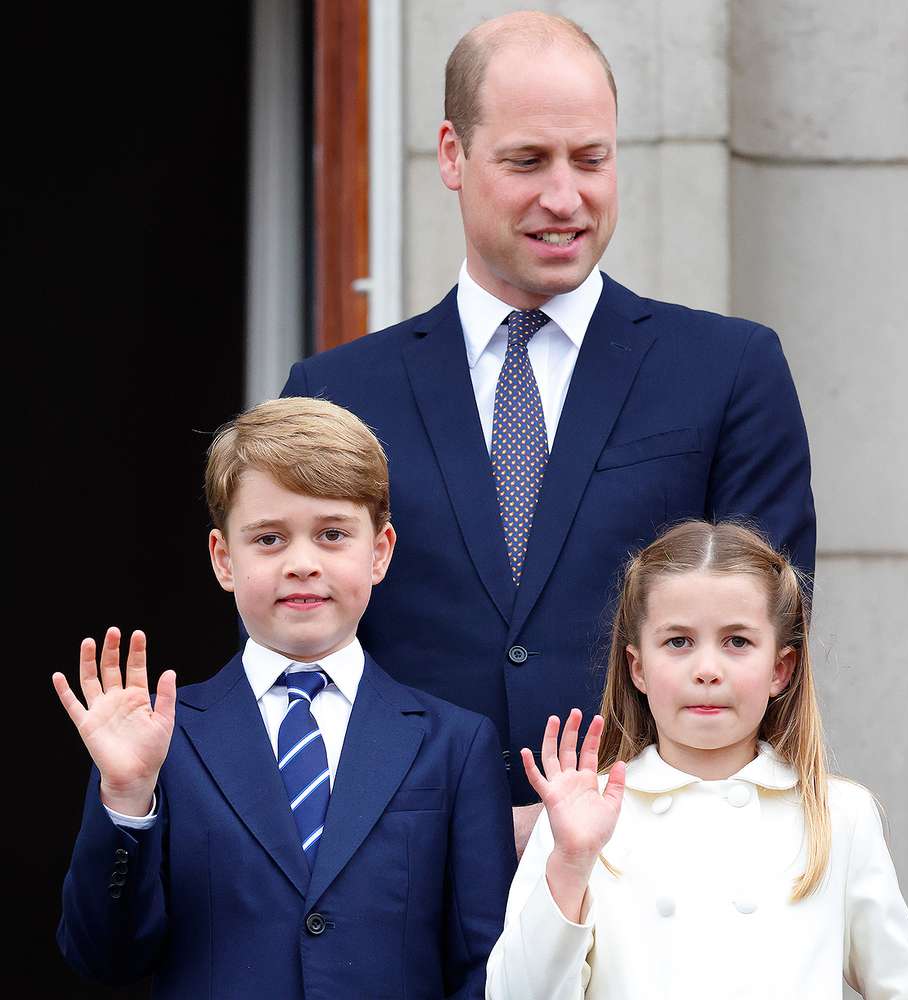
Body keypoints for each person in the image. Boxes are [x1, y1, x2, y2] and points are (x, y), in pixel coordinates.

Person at [281, 11, 816, 850]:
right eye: (527, 161)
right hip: (406, 886)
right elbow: (296, 662)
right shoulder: (337, 393)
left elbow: (768, 644)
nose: (565, 197)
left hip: (658, 879)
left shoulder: (729, 370)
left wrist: (600, 818)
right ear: (452, 155)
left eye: (592, 159)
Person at [52, 398, 512, 998]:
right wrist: (126, 798)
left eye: (333, 535)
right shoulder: (162, 738)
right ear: (224, 559)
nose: (301, 564)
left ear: (380, 551)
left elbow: (486, 964)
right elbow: (102, 957)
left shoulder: (454, 743)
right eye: (269, 539)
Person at [485, 521, 908, 999]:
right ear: (637, 668)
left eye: (737, 642)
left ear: (780, 669)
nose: (707, 670)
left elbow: (907, 990)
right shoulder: (582, 816)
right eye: (678, 642)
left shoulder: (837, 814)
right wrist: (571, 861)